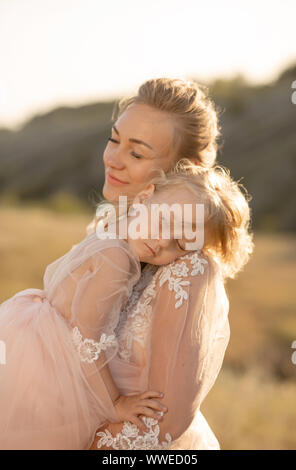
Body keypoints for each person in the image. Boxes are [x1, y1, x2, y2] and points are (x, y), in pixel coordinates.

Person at [0, 163, 222, 450]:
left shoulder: (115, 229)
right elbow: (86, 337)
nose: (162, 241)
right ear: (144, 198)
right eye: (164, 221)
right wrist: (115, 403)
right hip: (49, 359)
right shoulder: (117, 259)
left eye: (180, 244)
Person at [87, 77, 254, 450]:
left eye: (137, 153)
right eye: (115, 139)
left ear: (184, 169)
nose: (113, 159)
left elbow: (162, 423)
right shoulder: (111, 235)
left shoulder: (187, 269)